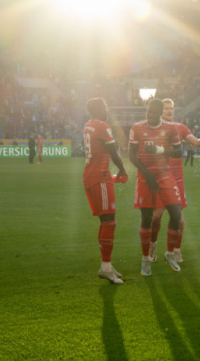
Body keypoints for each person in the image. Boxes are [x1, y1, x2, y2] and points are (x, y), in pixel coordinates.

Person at [129, 98, 184, 275]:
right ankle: (145, 259)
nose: (150, 115)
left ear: (160, 113)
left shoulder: (170, 128)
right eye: (148, 112)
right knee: (147, 218)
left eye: (154, 112)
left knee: (176, 213)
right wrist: (145, 173)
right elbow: (131, 154)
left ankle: (169, 253)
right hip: (145, 176)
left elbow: (179, 151)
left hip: (164, 174)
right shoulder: (137, 127)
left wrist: (161, 150)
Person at [148, 99, 200, 263]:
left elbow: (195, 142)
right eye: (166, 108)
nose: (169, 110)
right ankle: (152, 246)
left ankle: (175, 250)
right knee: (156, 216)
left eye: (171, 108)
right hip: (160, 177)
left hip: (176, 179)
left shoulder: (180, 128)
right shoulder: (152, 128)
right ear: (161, 110)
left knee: (178, 216)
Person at [83, 98, 128, 284]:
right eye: (106, 107)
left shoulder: (88, 125)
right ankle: (106, 267)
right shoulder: (102, 126)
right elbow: (113, 152)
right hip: (99, 177)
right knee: (110, 221)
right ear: (100, 109)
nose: (108, 110)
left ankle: (106, 265)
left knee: (105, 222)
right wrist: (123, 170)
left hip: (93, 176)